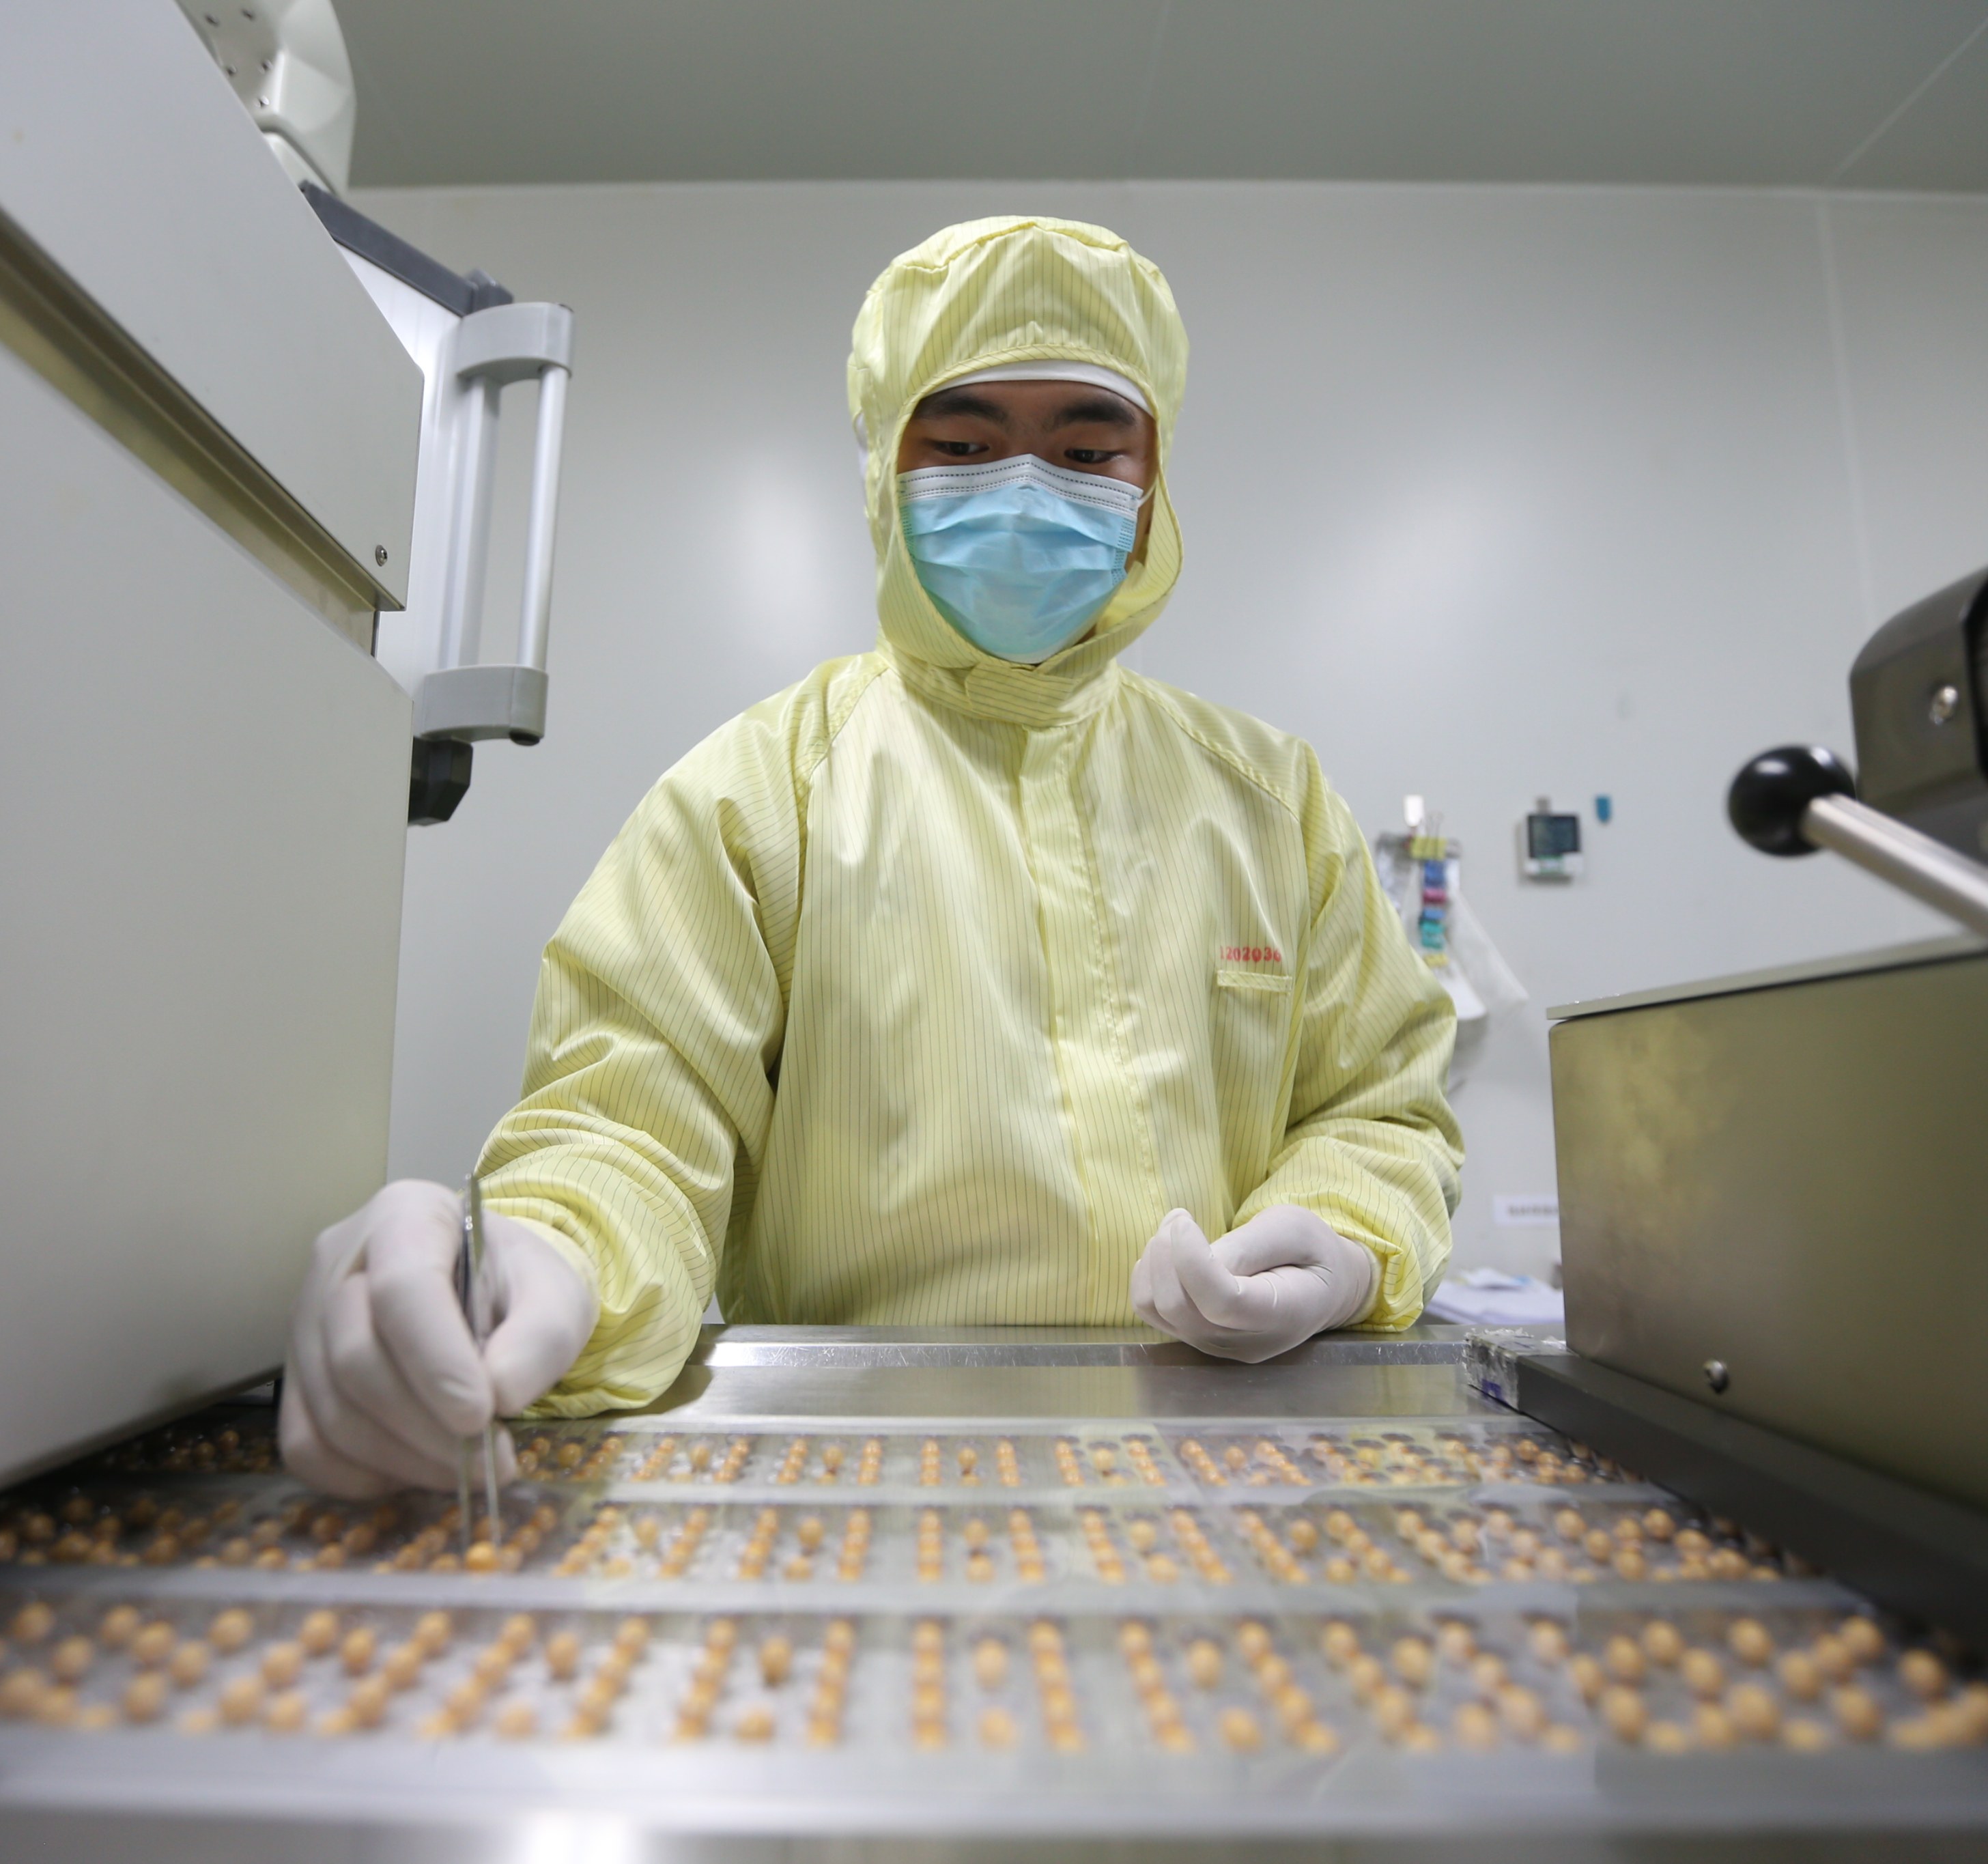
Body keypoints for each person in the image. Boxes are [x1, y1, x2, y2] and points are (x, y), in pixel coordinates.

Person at [283, 216, 1462, 1497]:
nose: (1024, 491)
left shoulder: (1270, 801)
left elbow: (1381, 1104)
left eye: (1084, 448)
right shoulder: (755, 796)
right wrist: (543, 1255)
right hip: (858, 1493)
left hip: (1224, 1492)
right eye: (961, 445)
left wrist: (1345, 1237)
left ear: (1150, 489)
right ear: (885, 477)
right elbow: (630, 1128)